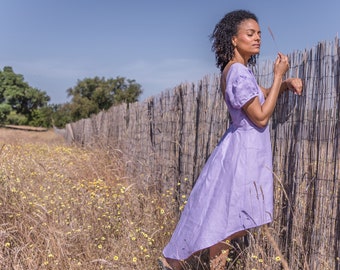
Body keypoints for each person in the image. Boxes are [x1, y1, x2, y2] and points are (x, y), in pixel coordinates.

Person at [158, 9, 303, 270]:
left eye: (259, 33)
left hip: (243, 148)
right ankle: (175, 262)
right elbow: (260, 117)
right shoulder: (237, 72)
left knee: (228, 218)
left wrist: (284, 84)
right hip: (243, 152)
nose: (258, 38)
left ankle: (178, 262)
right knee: (231, 219)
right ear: (234, 39)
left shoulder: (240, 71)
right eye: (250, 33)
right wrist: (279, 74)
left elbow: (263, 95)